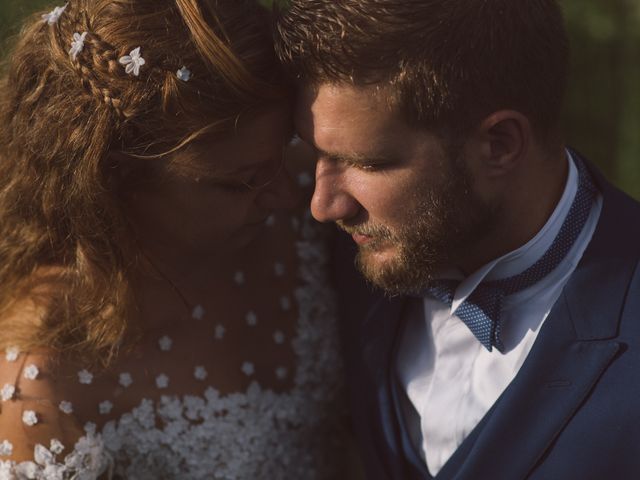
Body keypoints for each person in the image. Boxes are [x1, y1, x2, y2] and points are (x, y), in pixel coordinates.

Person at [274, 1, 640, 479]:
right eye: (315, 154)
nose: (323, 206)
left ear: (500, 144)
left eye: (368, 163)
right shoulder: (332, 260)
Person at [0, 0, 348, 478]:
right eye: (241, 182)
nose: (291, 197)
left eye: (286, 152)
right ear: (112, 180)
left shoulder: (309, 220)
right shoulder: (45, 383)